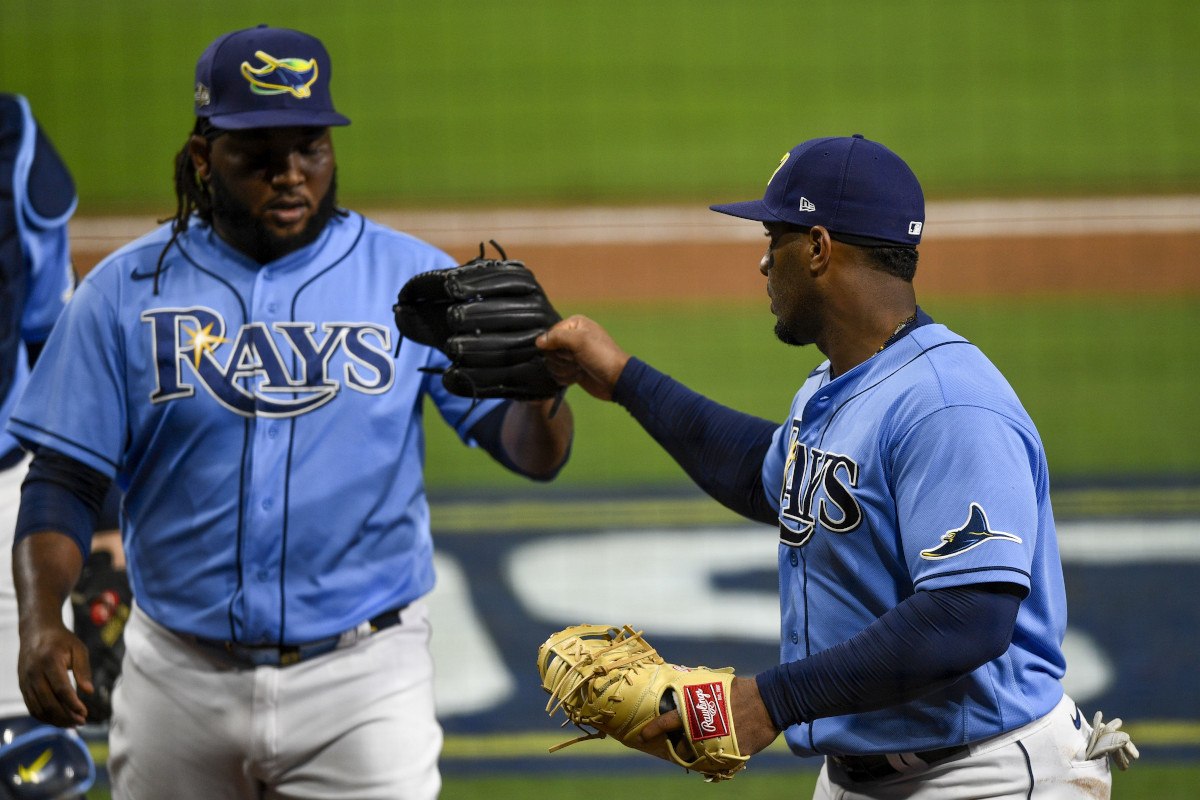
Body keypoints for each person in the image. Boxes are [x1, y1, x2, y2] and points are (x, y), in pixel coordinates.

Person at [8, 25, 573, 800]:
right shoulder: (123, 291)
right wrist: (42, 620)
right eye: (259, 155)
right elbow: (62, 482)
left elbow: (532, 455)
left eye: (310, 147)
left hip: (364, 685)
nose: (291, 175)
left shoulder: (413, 283)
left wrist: (542, 385)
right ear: (205, 158)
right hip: (176, 678)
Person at [536, 134, 1134, 798]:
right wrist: (622, 379)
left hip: (982, 773)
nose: (765, 263)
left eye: (775, 237)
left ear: (819, 248)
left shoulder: (948, 404)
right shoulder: (837, 385)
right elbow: (759, 473)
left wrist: (771, 700)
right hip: (861, 775)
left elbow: (968, 615)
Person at [0, 91, 97, 799]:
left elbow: (52, 340)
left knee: (31, 771)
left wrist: (107, 511)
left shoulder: (13, 140)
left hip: (3, 494)